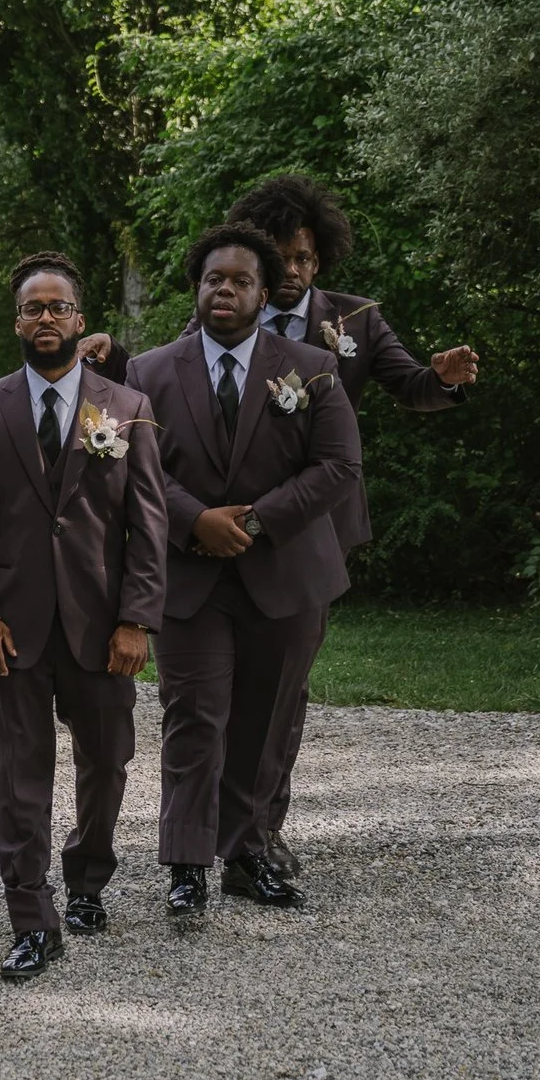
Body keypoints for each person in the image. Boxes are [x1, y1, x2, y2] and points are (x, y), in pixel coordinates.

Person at [226, 175, 478, 874]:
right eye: (279, 257)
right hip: (234, 524)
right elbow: (171, 380)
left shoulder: (355, 320)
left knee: (286, 684)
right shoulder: (225, 311)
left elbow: (410, 385)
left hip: (316, 527)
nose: (292, 271)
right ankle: (225, 828)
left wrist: (444, 377)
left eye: (304, 257)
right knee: (231, 682)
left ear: (321, 258)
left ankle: (262, 831)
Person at [0, 253, 168, 981]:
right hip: (12, 628)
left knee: (108, 759)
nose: (45, 317)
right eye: (32, 308)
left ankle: (88, 878)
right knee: (20, 771)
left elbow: (148, 524)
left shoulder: (126, 406)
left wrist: (137, 618)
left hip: (101, 626)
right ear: (17, 322)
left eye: (58, 306)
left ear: (79, 319)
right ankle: (31, 918)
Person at [127, 226, 359, 918]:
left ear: (264, 294)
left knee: (267, 717)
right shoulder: (148, 373)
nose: (224, 289)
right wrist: (196, 518)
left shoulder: (312, 367)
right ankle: (187, 864)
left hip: (285, 573)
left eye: (240, 280)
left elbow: (338, 465)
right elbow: (136, 470)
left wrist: (254, 521)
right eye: (213, 279)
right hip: (189, 577)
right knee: (193, 717)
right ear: (197, 289)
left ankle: (248, 853)